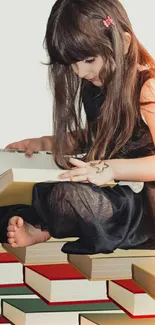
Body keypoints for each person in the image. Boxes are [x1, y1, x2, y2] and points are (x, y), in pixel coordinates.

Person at [2, 0, 155, 254]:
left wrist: (110, 169)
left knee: (67, 198)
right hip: (117, 194)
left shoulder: (147, 87)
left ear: (124, 43)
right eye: (72, 63)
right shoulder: (97, 84)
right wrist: (44, 143)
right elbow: (97, 136)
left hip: (145, 210)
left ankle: (44, 227)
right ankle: (41, 221)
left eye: (88, 60)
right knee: (20, 200)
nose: (80, 72)